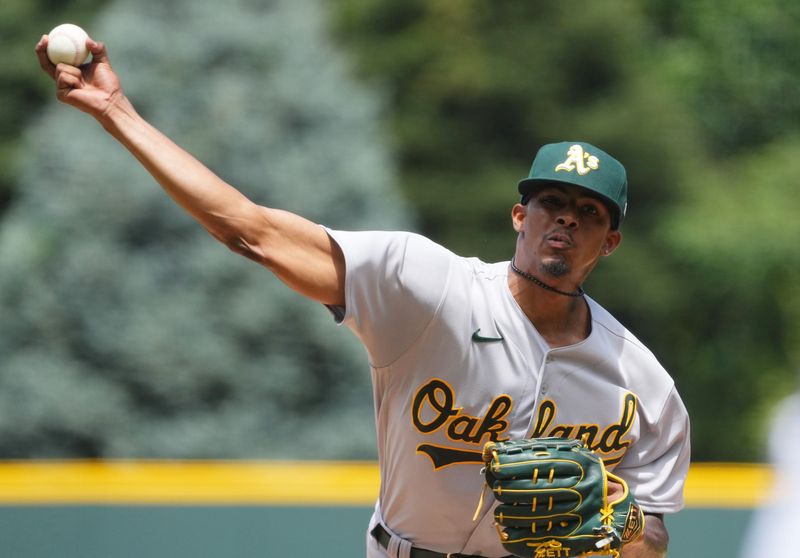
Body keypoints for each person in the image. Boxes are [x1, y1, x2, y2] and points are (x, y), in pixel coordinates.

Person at [35, 35, 690, 558]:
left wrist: (617, 519)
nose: (567, 219)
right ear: (520, 216)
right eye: (551, 201)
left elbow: (652, 539)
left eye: (589, 212)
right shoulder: (427, 288)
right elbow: (249, 230)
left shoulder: (641, 383)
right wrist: (115, 113)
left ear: (610, 243)